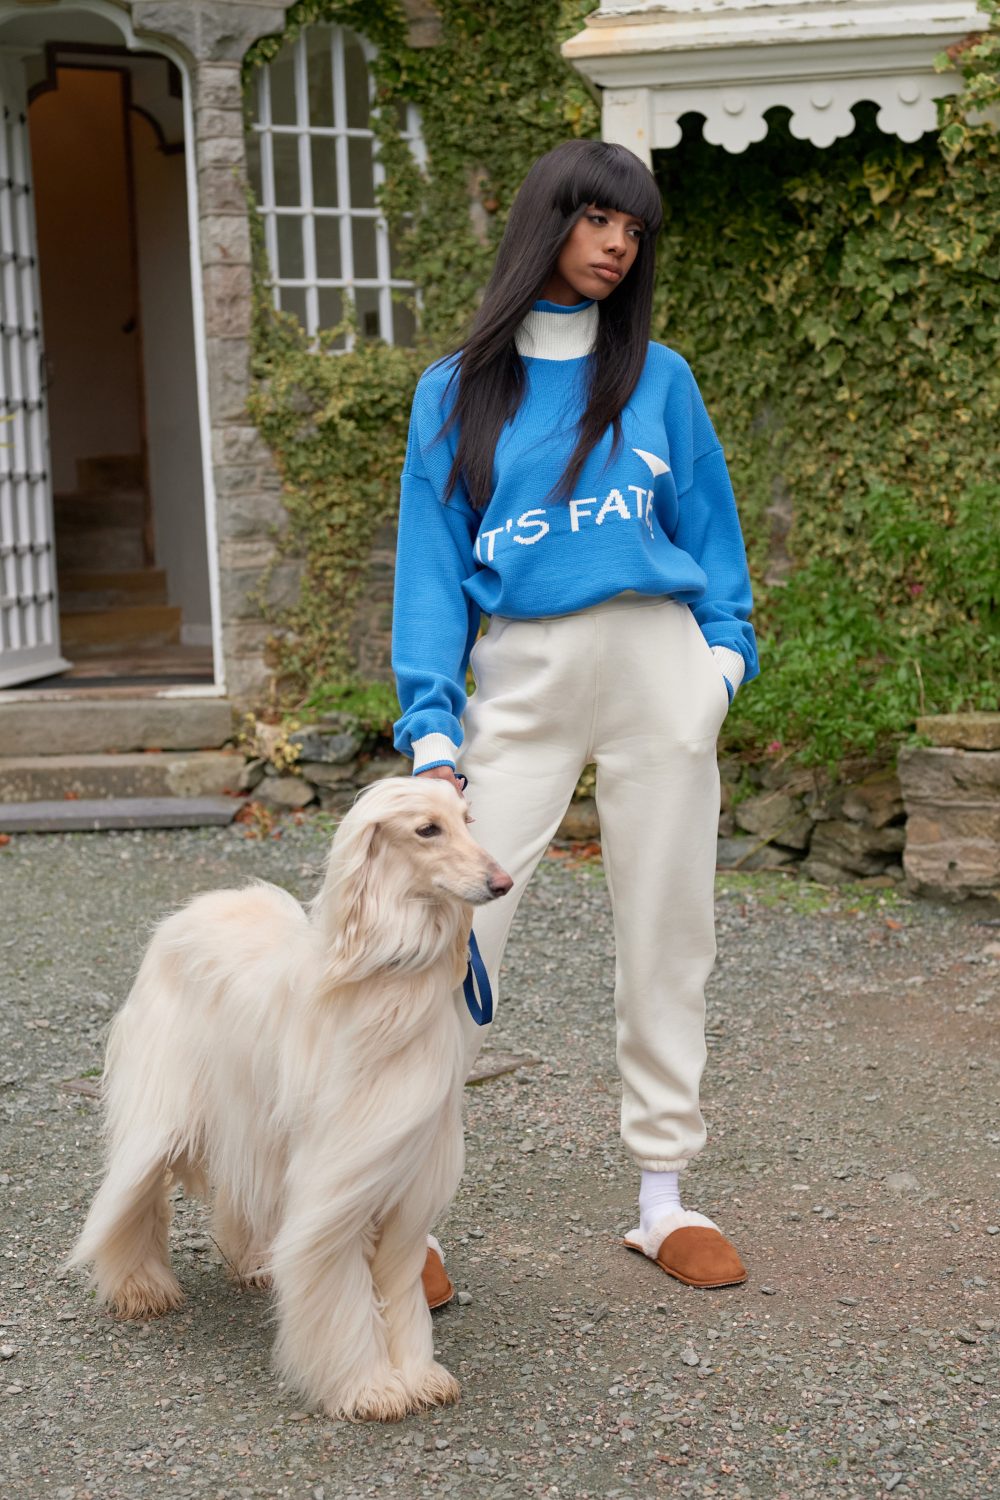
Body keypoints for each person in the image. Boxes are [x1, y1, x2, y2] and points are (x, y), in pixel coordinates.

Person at [391, 139, 758, 1300]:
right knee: (452, 940)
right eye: (598, 219)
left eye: (634, 229)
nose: (617, 245)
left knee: (668, 931)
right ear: (546, 220)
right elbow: (430, 574)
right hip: (524, 682)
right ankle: (407, 1213)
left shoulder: (660, 378)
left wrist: (719, 670)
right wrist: (432, 735)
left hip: (660, 676)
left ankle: (663, 1195)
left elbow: (713, 536)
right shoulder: (456, 391)